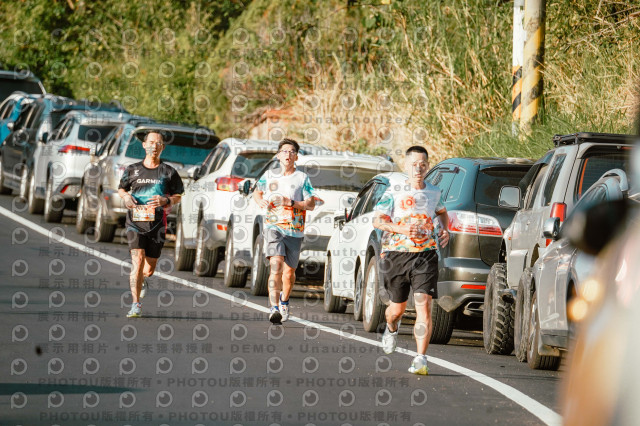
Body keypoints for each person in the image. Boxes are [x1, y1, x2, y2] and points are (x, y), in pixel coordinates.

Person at [373, 145, 450, 375]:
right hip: (397, 254)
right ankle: (391, 328)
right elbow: (378, 221)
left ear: (428, 166)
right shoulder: (394, 190)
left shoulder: (434, 192)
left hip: (426, 254)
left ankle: (420, 359)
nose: (418, 169)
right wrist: (401, 229)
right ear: (406, 166)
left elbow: (442, 213)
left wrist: (445, 229)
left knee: (423, 304)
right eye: (414, 164)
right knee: (396, 311)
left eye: (423, 164)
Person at [118, 130, 184, 318]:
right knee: (137, 261)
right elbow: (121, 189)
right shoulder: (132, 170)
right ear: (144, 145)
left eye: (158, 143)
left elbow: (178, 195)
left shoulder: (168, 172)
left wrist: (166, 201)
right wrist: (126, 197)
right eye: (151, 142)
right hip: (135, 223)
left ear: (162, 147)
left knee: (149, 268)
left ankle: (143, 279)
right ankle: (135, 304)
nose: (154, 146)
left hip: (157, 226)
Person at [253, 138, 318, 324]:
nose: (288, 154)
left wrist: (291, 203)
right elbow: (257, 191)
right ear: (278, 155)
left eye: (292, 152)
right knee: (276, 265)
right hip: (273, 227)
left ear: (296, 157)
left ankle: (284, 301)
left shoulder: (302, 178)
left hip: (294, 230)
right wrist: (260, 200)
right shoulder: (269, 175)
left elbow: (311, 204)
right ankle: (273, 308)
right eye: (284, 151)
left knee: (288, 273)